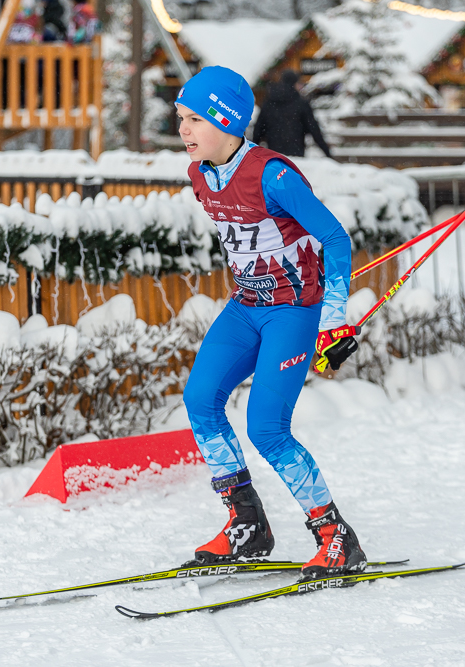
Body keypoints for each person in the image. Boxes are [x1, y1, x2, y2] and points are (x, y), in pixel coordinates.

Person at [176, 66, 364, 580]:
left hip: (292, 312)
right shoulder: (200, 175)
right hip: (246, 306)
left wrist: (333, 319)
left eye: (195, 120)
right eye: (181, 119)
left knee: (266, 427)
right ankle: (247, 523)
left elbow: (335, 240)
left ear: (227, 123)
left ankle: (335, 538)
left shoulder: (274, 174)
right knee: (201, 399)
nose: (184, 131)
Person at [252, 70, 331, 158]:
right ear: (295, 84)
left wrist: (252, 154)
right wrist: (327, 153)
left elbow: (258, 129)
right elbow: (314, 129)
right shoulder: (301, 103)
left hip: (274, 154)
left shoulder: (269, 102)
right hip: (296, 153)